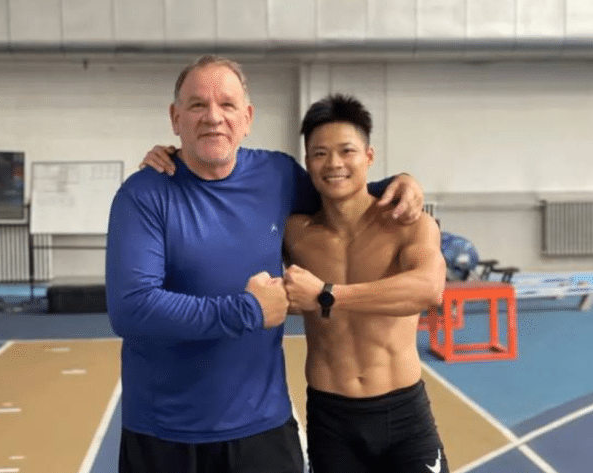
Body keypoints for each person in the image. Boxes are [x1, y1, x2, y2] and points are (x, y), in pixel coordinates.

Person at [107, 55, 425, 473]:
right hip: (165, 434)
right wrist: (249, 310)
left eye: (227, 104)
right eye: (198, 105)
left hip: (263, 428)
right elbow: (132, 308)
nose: (213, 117)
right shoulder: (143, 195)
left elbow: (340, 190)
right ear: (175, 117)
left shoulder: (277, 175)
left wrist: (398, 183)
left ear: (248, 117)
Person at [282, 94, 449, 473]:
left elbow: (429, 289)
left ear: (369, 157)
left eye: (347, 151)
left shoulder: (407, 224)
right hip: (330, 418)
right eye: (320, 154)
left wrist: (327, 295)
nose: (334, 164)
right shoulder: (296, 233)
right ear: (307, 163)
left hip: (403, 413)